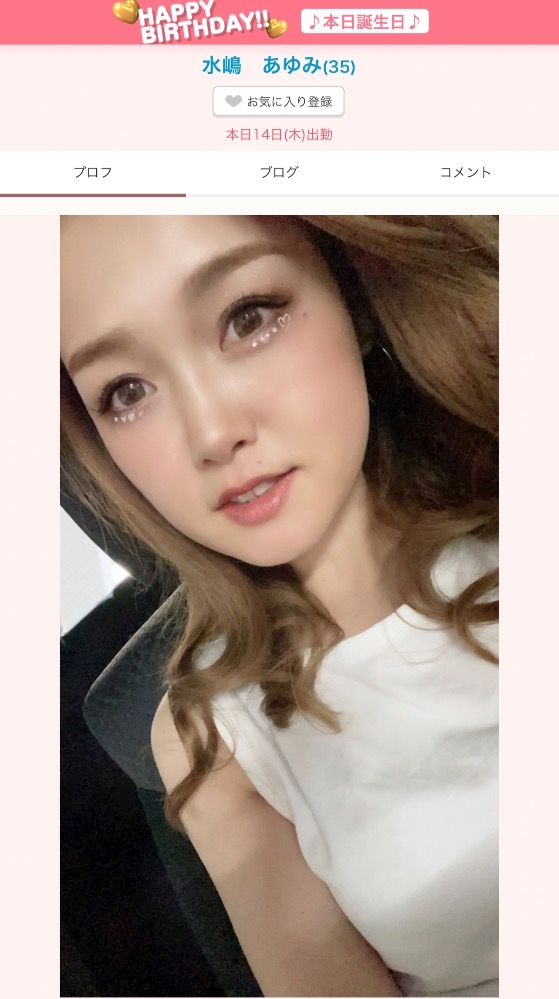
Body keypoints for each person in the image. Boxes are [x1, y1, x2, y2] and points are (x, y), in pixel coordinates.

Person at [60, 215, 498, 998]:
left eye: (248, 316)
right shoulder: (210, 736)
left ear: (351, 292)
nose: (212, 432)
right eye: (126, 392)